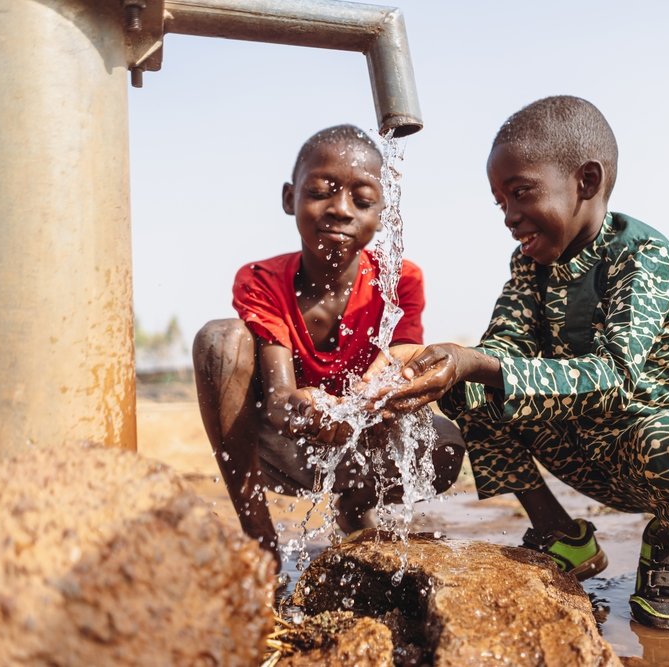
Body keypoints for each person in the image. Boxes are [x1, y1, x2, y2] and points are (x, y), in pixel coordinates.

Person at [366, 96, 669, 630]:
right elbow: (500, 350)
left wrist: (479, 364)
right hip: (576, 444)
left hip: (642, 448)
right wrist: (430, 359)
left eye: (520, 193)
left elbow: (615, 378)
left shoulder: (642, 257)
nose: (510, 216)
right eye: (500, 202)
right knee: (469, 388)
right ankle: (562, 535)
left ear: (585, 181)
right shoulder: (529, 264)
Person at [192, 124, 465, 570]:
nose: (340, 209)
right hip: (285, 445)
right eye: (321, 191)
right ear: (288, 198)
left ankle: (356, 508)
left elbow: (399, 361)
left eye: (362, 199)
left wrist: (367, 403)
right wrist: (303, 406)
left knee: (446, 445)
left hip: (364, 441)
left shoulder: (400, 280)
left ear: (383, 213)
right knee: (219, 339)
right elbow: (280, 398)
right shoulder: (261, 279)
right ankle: (260, 542)